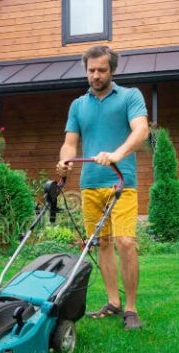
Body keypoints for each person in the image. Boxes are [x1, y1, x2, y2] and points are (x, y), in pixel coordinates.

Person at [56, 45, 149, 331]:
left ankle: (131, 309)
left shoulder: (130, 96)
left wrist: (118, 154)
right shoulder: (78, 105)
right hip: (90, 185)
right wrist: (64, 161)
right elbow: (70, 142)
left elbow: (141, 130)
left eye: (101, 70)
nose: (95, 75)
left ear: (112, 70)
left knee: (125, 242)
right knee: (103, 244)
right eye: (91, 70)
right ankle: (113, 302)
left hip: (122, 182)